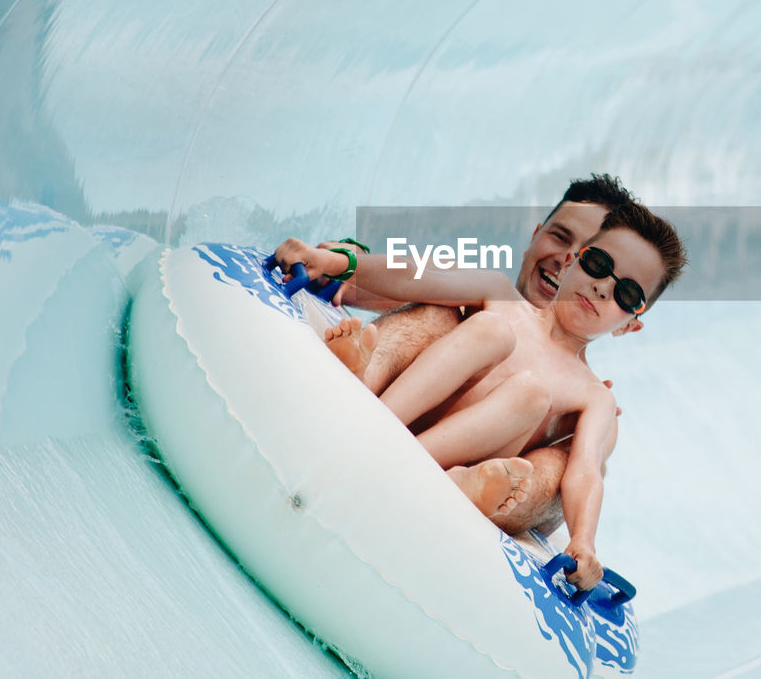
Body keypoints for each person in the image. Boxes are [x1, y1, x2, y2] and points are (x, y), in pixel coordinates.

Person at [274, 202, 686, 589]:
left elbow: (584, 471)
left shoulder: (594, 395)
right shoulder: (500, 295)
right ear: (575, 260)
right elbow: (416, 277)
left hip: (451, 465)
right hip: (399, 416)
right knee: (492, 330)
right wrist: (333, 262)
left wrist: (584, 541)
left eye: (627, 293)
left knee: (530, 394)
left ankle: (437, 470)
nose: (602, 289)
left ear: (629, 325)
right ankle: (370, 407)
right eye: (600, 265)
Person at [323, 175, 634, 537]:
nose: (567, 261)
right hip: (398, 407)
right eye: (560, 238)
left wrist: (578, 434)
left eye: (591, 260)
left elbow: (580, 480)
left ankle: (475, 489)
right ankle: (359, 373)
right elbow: (401, 280)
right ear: (535, 236)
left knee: (572, 456)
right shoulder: (483, 291)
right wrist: (348, 262)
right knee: (440, 312)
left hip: (478, 471)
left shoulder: (582, 396)